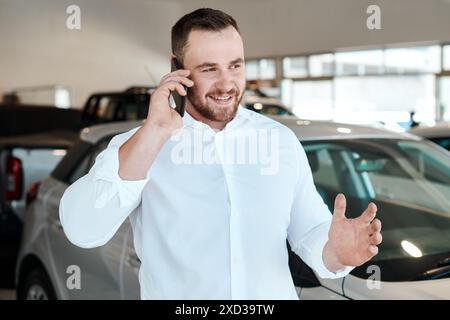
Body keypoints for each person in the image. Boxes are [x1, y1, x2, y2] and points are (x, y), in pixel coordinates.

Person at [60, 8, 382, 299]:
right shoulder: (141, 144)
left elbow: (310, 234)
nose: (227, 83)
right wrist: (154, 131)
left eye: (235, 66)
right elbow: (82, 229)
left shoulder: (280, 141)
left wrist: (337, 253)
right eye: (209, 69)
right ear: (176, 69)